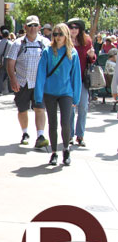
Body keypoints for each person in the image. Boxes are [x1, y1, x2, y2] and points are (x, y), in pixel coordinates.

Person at [34, 23, 81, 166]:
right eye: (55, 34)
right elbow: (41, 74)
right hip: (50, 92)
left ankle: (66, 150)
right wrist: (38, 95)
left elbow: (76, 76)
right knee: (52, 123)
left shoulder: (72, 52)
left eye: (60, 34)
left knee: (66, 123)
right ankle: (54, 152)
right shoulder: (48, 51)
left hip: (66, 92)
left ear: (66, 35)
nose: (58, 37)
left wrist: (76, 97)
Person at [5, 15, 51, 147]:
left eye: (35, 25)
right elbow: (10, 63)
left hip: (39, 84)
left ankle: (40, 135)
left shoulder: (45, 43)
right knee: (22, 109)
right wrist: (13, 79)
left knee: (40, 109)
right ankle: (25, 133)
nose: (32, 28)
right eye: (30, 25)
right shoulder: (17, 44)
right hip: (22, 82)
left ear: (39, 27)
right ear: (25, 27)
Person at [67, 17, 96, 147]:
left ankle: (80, 135)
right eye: (71, 27)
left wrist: (91, 55)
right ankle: (69, 135)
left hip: (82, 80)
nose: (73, 30)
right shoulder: (65, 41)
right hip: (68, 79)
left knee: (83, 106)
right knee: (70, 108)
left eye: (76, 28)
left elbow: (92, 60)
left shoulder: (87, 41)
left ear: (80, 29)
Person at [0, 29, 13, 95]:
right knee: (10, 75)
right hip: (8, 59)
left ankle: (0, 91)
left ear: (1, 35)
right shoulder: (11, 43)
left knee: (0, 75)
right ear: (8, 35)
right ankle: (10, 90)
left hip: (0, 59)